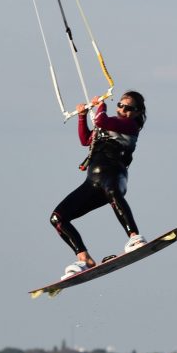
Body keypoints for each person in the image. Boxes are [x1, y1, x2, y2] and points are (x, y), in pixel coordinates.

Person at [50, 90, 147, 279]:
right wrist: (82, 116)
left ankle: (134, 236)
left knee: (111, 191)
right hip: (92, 181)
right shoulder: (109, 123)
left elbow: (101, 120)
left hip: (114, 175)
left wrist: (100, 104)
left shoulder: (129, 125)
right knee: (57, 218)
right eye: (120, 105)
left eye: (129, 108)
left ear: (136, 112)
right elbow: (85, 140)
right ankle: (84, 258)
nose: (122, 110)